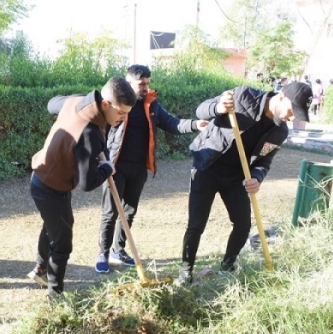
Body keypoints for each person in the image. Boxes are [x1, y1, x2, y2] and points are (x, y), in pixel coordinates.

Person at [175, 82, 313, 285]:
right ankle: (186, 271)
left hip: (236, 177)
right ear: (282, 97)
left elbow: (264, 161)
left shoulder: (279, 132)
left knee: (243, 224)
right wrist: (218, 108)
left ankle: (227, 266)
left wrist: (257, 177)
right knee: (196, 224)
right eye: (292, 111)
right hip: (207, 166)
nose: (291, 118)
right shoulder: (242, 96)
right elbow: (201, 110)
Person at [26, 77, 136, 297]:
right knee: (62, 242)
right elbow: (87, 183)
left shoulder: (77, 101)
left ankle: (40, 269)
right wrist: (107, 168)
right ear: (105, 104)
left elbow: (52, 104)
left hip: (42, 178)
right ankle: (55, 294)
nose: (124, 119)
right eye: (121, 113)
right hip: (50, 187)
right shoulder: (90, 133)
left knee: (54, 225)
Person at [94, 64, 208, 273]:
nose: (146, 87)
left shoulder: (152, 106)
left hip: (138, 168)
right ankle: (103, 252)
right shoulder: (115, 105)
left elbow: (173, 123)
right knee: (110, 212)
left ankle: (118, 251)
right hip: (115, 166)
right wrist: (102, 160)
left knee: (128, 211)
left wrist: (194, 125)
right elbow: (100, 131)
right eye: (141, 84)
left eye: (147, 83)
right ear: (129, 84)